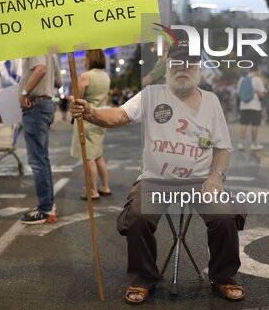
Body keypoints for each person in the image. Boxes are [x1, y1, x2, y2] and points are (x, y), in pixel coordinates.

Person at [70, 44, 244, 304]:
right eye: (177, 62)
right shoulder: (150, 95)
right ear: (167, 66)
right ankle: (143, 279)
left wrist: (216, 176)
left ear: (198, 67)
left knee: (224, 217)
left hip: (199, 180)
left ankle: (223, 276)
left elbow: (222, 148)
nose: (183, 68)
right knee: (138, 217)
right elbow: (118, 116)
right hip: (155, 179)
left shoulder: (211, 101)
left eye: (190, 62)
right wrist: (90, 113)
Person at [19, 53, 62, 224]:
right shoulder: (51, 51)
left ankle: (45, 208)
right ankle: (48, 205)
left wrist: (23, 93)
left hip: (35, 105)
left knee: (37, 160)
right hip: (44, 103)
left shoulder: (34, 45)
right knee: (42, 158)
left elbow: (40, 69)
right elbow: (58, 82)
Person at [71, 49, 112, 200]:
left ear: (91, 58)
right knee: (98, 154)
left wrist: (72, 97)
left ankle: (93, 191)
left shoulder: (86, 76)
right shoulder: (105, 77)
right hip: (101, 117)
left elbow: (78, 98)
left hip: (87, 119)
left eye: (86, 57)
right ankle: (105, 186)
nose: (84, 60)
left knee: (88, 157)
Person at [237, 68, 266, 150]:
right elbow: (261, 95)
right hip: (255, 106)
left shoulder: (241, 79)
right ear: (256, 71)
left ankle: (241, 143)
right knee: (254, 125)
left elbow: (238, 94)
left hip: (243, 106)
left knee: (243, 124)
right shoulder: (257, 79)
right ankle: (254, 144)